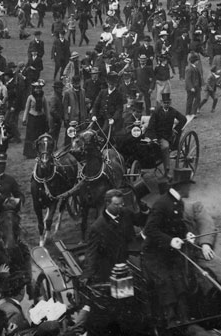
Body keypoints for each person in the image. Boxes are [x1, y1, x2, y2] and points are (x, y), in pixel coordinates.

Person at [141, 168, 198, 323]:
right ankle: (171, 322)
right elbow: (150, 229)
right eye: (188, 186)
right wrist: (170, 241)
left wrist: (186, 234)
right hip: (153, 256)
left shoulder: (178, 202)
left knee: (180, 284)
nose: (190, 189)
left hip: (168, 254)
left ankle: (185, 320)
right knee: (166, 284)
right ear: (181, 187)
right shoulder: (161, 204)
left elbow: (177, 225)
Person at [85, 189, 140, 283]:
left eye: (122, 203)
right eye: (116, 204)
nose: (120, 207)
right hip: (113, 270)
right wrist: (87, 274)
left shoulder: (126, 213)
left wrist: (145, 211)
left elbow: (140, 221)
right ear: (107, 203)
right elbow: (92, 252)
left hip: (132, 262)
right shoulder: (97, 227)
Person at [147, 92, 187, 174]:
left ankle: (167, 169)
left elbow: (183, 119)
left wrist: (176, 129)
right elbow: (151, 126)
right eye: (164, 103)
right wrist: (154, 137)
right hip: (156, 136)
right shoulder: (156, 112)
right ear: (161, 103)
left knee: (165, 147)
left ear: (170, 102)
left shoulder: (173, 111)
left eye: (168, 103)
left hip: (166, 137)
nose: (166, 104)